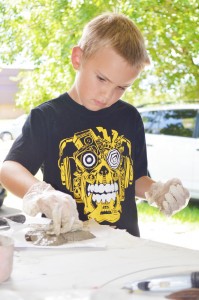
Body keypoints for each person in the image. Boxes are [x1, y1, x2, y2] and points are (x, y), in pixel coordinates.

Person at [0, 12, 190, 237]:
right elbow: (9, 169)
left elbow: (135, 178)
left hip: (124, 243)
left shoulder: (129, 117)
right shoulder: (48, 116)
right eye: (102, 79)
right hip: (67, 242)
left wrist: (157, 190)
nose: (107, 94)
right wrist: (41, 194)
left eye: (121, 87)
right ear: (78, 58)